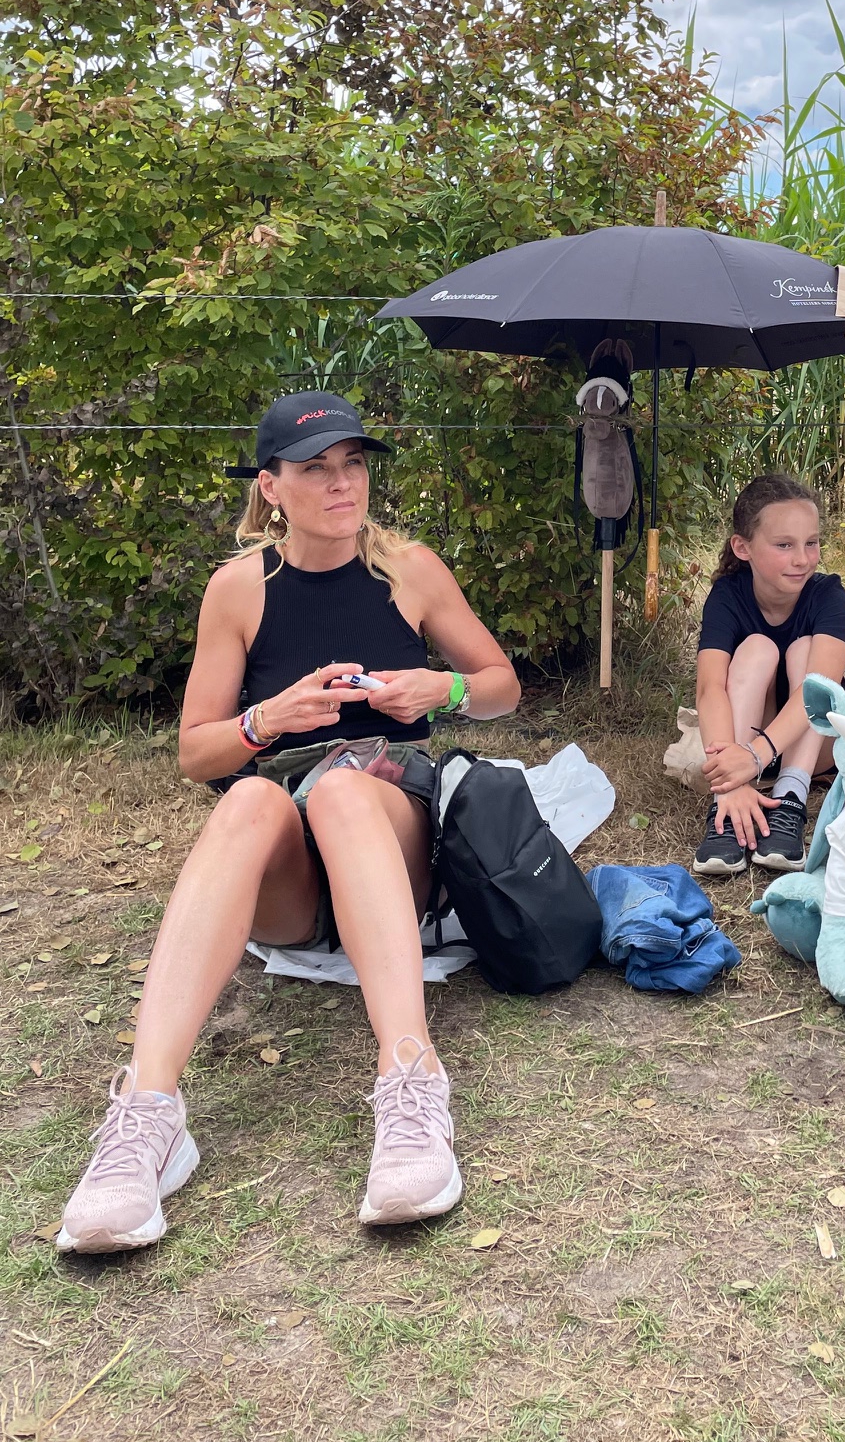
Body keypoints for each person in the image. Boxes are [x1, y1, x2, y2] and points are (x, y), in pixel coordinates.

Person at [57, 391, 521, 1255]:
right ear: (271, 487)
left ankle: (412, 1086)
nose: (343, 485)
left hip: (391, 815)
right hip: (295, 866)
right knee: (245, 797)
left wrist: (441, 689)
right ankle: (146, 1118)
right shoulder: (239, 589)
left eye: (354, 464)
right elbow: (198, 752)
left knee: (344, 790)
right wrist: (267, 720)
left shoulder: (409, 570)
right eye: (316, 470)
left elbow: (501, 684)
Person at [691, 474, 845, 878]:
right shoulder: (727, 595)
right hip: (747, 747)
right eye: (784, 545)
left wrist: (756, 757)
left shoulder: (829, 595)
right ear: (742, 547)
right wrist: (731, 775)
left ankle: (790, 802)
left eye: (811, 543)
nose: (803, 558)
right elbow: (710, 688)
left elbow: (823, 692)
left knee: (802, 651)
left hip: (814, 747)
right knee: (757, 648)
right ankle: (726, 807)